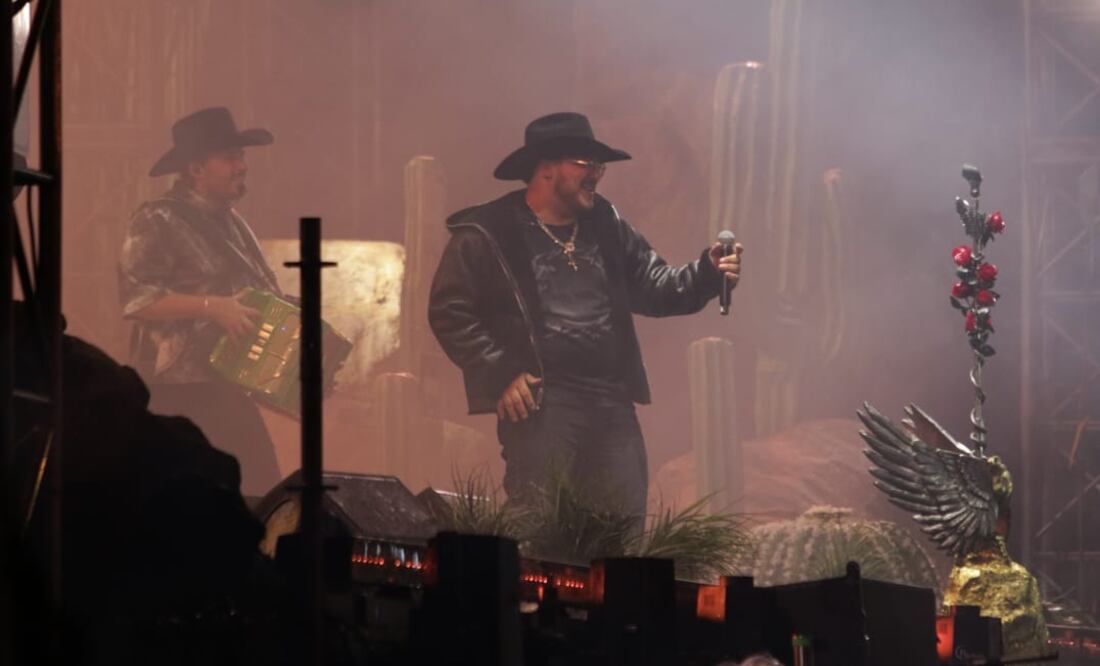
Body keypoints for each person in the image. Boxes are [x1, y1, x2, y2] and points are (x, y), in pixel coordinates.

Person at [428, 112, 743, 519]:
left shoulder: (605, 223)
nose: (596, 173)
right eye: (585, 163)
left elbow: (654, 284)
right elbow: (449, 310)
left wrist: (706, 273)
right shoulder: (487, 232)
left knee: (620, 530)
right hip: (544, 404)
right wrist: (500, 372)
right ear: (545, 168)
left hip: (612, 400)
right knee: (540, 530)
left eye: (599, 165)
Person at [118, 106, 284, 497]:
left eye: (241, 156)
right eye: (229, 158)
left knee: (259, 495)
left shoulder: (233, 223)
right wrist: (214, 307)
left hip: (224, 385)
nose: (241, 166)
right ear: (196, 169)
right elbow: (136, 299)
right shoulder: (155, 219)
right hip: (176, 394)